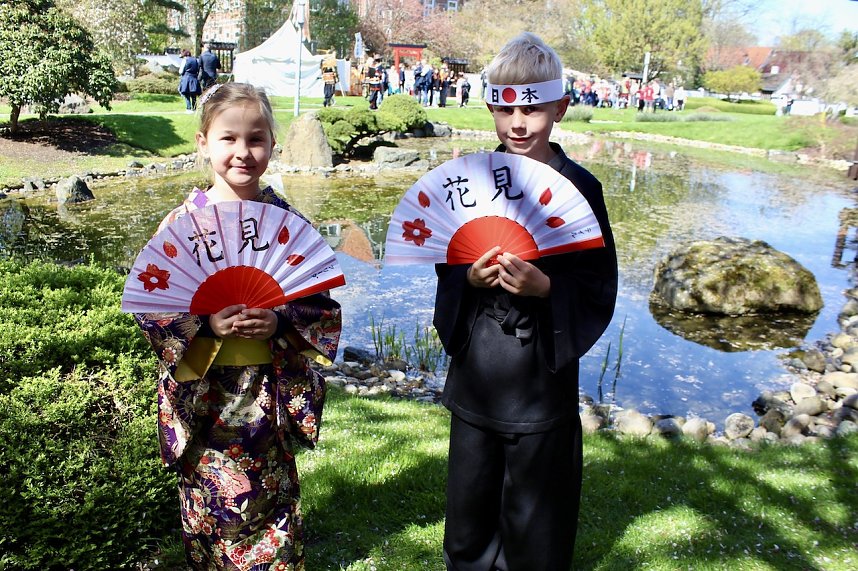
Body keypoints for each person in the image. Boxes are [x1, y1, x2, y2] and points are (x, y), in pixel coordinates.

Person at [133, 82, 342, 569]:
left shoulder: (286, 220)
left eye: (256, 138)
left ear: (273, 145)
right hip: (207, 393)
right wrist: (205, 323)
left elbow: (319, 307)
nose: (243, 152)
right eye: (229, 138)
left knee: (270, 502)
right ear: (203, 142)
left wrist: (278, 320)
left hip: (265, 389)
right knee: (209, 503)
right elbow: (153, 307)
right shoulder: (181, 224)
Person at [434, 32, 617, 571]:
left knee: (534, 517)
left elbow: (597, 285)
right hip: (478, 375)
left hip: (541, 378)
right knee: (468, 509)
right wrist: (467, 279)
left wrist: (547, 289)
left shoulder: (581, 187)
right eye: (506, 107)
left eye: (533, 108)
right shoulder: (468, 181)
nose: (518, 122)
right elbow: (445, 265)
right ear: (491, 106)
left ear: (560, 108)